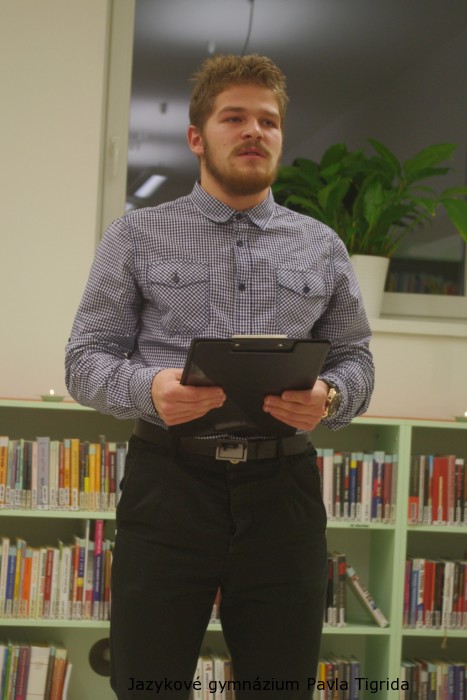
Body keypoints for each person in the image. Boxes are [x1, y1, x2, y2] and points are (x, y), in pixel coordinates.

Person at [65, 54, 374, 699]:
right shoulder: (136, 235)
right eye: (234, 117)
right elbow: (85, 359)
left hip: (283, 492)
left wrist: (332, 396)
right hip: (169, 485)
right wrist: (148, 391)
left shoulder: (321, 245)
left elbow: (357, 360)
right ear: (197, 137)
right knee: (146, 683)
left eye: (269, 120)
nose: (254, 131)